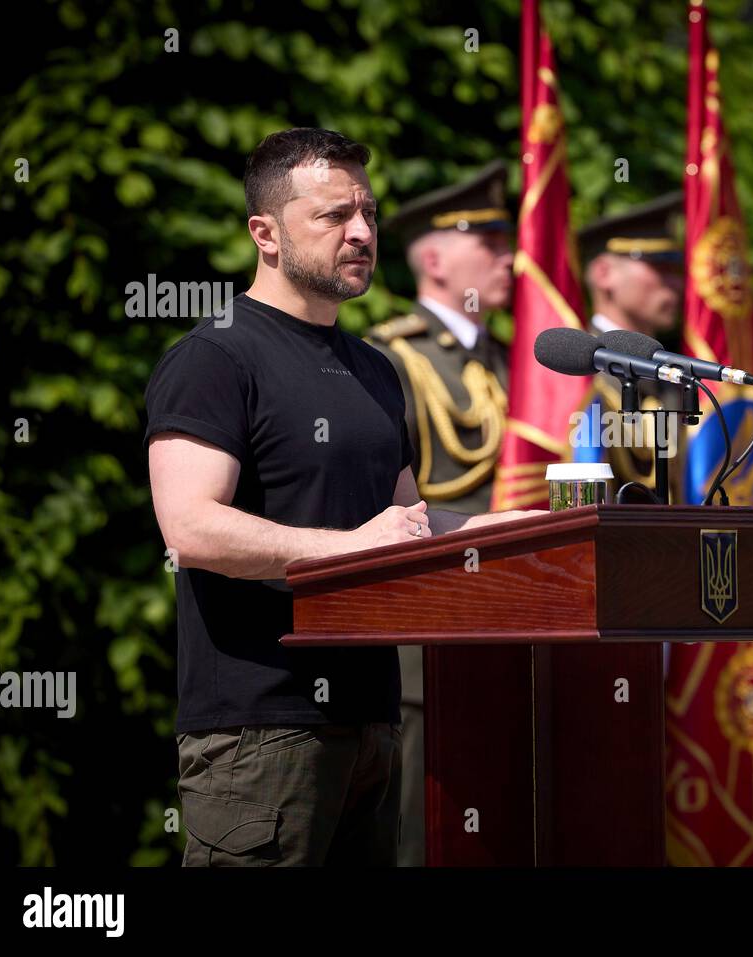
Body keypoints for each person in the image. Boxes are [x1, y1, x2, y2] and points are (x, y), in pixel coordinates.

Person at [144, 128, 527, 866]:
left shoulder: (376, 369)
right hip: (263, 731)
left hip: (374, 724)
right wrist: (353, 548)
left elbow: (410, 523)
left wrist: (529, 530)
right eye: (332, 216)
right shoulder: (214, 356)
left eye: (370, 214)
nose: (361, 232)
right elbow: (191, 528)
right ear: (266, 234)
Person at [366, 162, 514, 866]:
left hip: (523, 622)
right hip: (435, 632)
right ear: (433, 258)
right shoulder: (392, 357)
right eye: (488, 242)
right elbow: (391, 506)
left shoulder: (515, 358)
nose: (509, 255)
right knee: (429, 835)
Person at [575, 194, 685, 498]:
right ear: (603, 274)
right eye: (658, 268)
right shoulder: (574, 369)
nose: (675, 284)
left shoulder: (669, 373)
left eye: (675, 270)